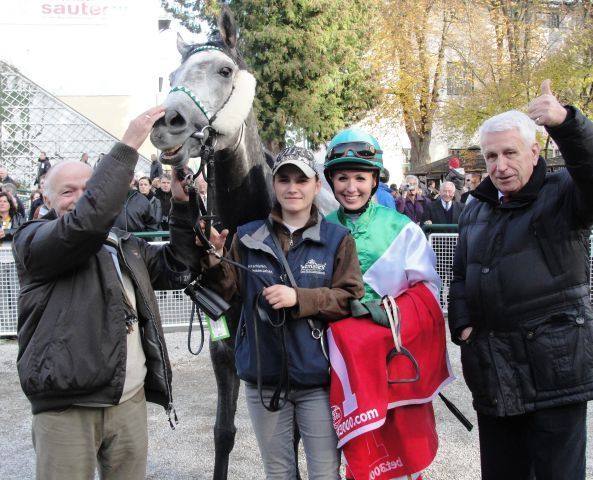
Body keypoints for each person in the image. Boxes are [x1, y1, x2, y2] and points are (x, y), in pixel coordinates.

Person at [13, 105, 202, 480]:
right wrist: (129, 144)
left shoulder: (123, 244)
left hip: (127, 401)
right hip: (68, 407)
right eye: (69, 192)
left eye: (89, 189)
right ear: (46, 200)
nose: (81, 198)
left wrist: (182, 207)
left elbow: (177, 267)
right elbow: (86, 223)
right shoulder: (33, 240)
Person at [448, 80, 593, 480]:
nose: (500, 166)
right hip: (494, 372)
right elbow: (459, 277)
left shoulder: (563, 193)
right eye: (491, 156)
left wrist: (566, 123)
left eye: (510, 153)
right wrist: (461, 326)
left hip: (555, 372)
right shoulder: (475, 209)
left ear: (535, 152)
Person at [200, 146, 365, 479]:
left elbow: (349, 299)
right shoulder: (245, 237)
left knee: (325, 473)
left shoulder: (337, 239)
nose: (293, 188)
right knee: (278, 472)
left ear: (316, 186)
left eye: (301, 180)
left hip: (318, 381)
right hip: (264, 379)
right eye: (284, 179)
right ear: (274, 185)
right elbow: (223, 293)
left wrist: (299, 298)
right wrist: (215, 259)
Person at [323, 128, 447, 480]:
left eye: (360, 178)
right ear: (331, 181)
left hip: (394, 357)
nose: (351, 187)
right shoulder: (322, 228)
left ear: (375, 179)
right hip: (345, 365)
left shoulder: (403, 228)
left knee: (403, 448)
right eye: (342, 178)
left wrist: (384, 315)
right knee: (359, 451)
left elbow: (428, 296)